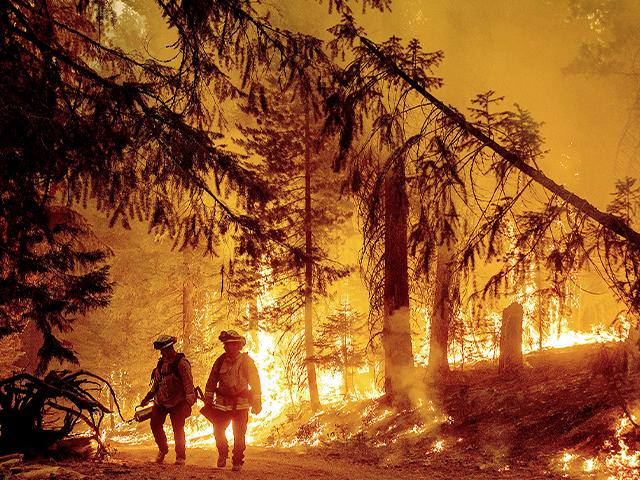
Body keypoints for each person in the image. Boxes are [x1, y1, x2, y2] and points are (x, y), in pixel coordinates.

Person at [204, 330, 262, 472]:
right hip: (222, 404)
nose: (225, 347)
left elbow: (255, 383)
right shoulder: (220, 361)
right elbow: (212, 380)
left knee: (239, 435)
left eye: (229, 345)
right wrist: (208, 398)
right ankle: (223, 453)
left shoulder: (247, 362)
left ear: (237, 346)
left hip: (241, 404)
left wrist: (257, 402)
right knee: (218, 431)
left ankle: (237, 461)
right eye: (225, 345)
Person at [141, 335, 195, 465]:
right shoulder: (160, 364)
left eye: (166, 350)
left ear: (171, 348)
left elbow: (188, 384)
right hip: (160, 401)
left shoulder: (182, 363)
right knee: (155, 424)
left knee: (178, 428)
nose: (164, 353)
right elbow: (156, 384)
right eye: (162, 351)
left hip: (178, 402)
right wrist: (147, 398)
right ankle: (163, 449)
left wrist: (189, 402)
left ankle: (180, 456)